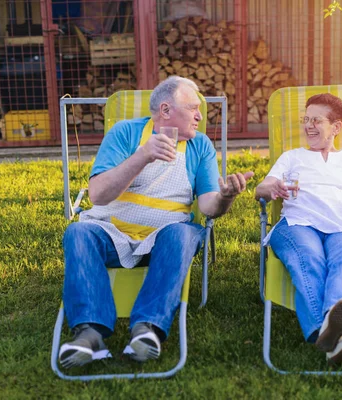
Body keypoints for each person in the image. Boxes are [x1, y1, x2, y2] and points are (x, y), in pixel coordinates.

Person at [59, 76, 253, 368]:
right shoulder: (125, 133)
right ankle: (90, 333)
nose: (201, 115)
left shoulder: (200, 146)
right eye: (193, 108)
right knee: (78, 232)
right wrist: (143, 156)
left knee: (183, 234)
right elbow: (98, 195)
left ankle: (146, 329)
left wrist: (226, 197)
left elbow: (208, 207)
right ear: (165, 110)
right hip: (112, 232)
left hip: (164, 237)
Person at [255, 93, 342, 364]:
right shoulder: (291, 157)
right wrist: (271, 187)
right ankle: (341, 332)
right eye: (305, 119)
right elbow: (260, 189)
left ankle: (330, 334)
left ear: (336, 127)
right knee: (310, 260)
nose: (308, 125)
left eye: (316, 120)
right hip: (298, 225)